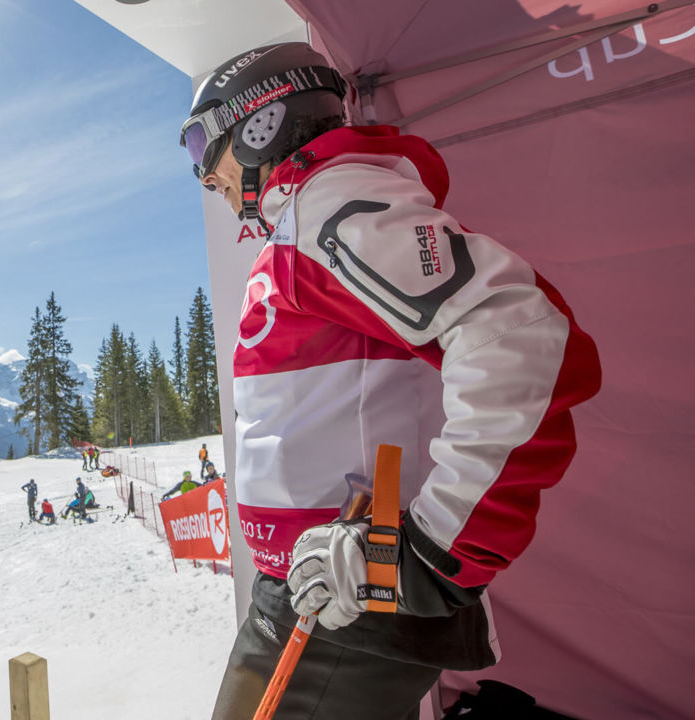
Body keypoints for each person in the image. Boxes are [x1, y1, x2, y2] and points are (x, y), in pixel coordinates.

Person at [180, 43, 601, 719]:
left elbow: (519, 338)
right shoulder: (310, 216)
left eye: (206, 145)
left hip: (345, 602)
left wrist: (431, 550)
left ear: (261, 122)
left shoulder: (331, 206)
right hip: (329, 591)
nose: (206, 175)